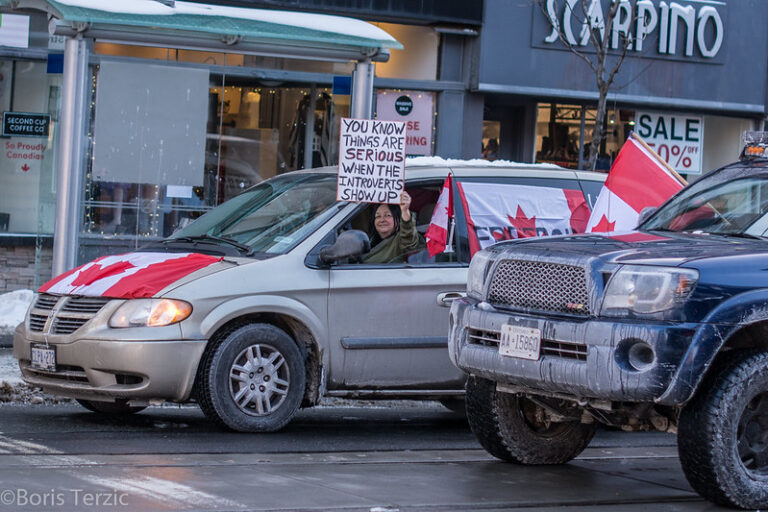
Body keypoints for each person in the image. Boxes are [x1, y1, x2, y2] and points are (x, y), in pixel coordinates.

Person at [363, 191, 426, 263]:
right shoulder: (370, 240)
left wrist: (405, 211)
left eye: (387, 215)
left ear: (399, 218)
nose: (382, 220)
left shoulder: (400, 240)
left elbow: (408, 237)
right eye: (378, 216)